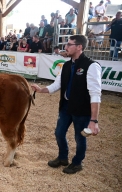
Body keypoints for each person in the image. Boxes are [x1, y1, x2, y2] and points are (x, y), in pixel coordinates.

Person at [31, 35, 102, 174]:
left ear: (79, 46)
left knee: (80, 137)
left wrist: (94, 120)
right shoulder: (66, 65)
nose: (66, 47)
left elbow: (95, 94)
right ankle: (63, 157)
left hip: (81, 110)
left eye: (69, 44)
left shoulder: (92, 66)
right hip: (66, 106)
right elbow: (57, 84)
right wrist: (41, 90)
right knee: (59, 133)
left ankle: (77, 162)